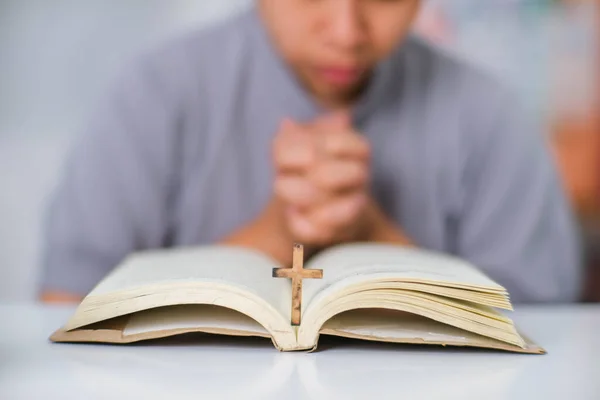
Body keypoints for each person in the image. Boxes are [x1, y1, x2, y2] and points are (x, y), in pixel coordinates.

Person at [39, 0, 583, 304]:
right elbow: (65, 310)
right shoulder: (155, 89)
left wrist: (371, 236)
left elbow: (549, 331)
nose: (346, 32)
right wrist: (277, 233)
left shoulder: (489, 110)